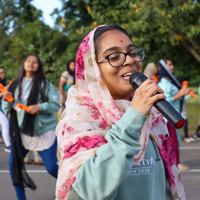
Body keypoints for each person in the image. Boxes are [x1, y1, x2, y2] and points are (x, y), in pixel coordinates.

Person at [55, 25, 186, 200]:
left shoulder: (152, 116)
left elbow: (165, 186)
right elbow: (91, 190)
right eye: (114, 56)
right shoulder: (78, 119)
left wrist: (138, 113)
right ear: (92, 68)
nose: (130, 61)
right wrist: (133, 118)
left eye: (133, 53)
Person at [2, 54, 60, 200]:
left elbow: (55, 105)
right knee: (14, 167)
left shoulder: (45, 84)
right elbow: (8, 108)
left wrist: (39, 107)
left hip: (43, 131)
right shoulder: (15, 84)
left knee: (53, 168)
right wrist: (6, 100)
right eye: (28, 60)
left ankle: (73, 189)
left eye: (35, 62)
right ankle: (21, 198)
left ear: (39, 66)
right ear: (24, 64)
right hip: (22, 132)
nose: (31, 63)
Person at [158, 59, 191, 170]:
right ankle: (176, 162)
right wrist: (180, 94)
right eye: (169, 65)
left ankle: (175, 162)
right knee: (173, 140)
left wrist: (183, 94)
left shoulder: (169, 82)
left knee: (174, 139)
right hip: (169, 117)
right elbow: (165, 101)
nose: (172, 67)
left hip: (174, 115)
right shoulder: (163, 83)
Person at [0, 66, 11, 152]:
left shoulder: (3, 81)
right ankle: (8, 145)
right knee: (6, 124)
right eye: (1, 73)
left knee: (2, 126)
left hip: (2, 106)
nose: (3, 74)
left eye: (3, 72)